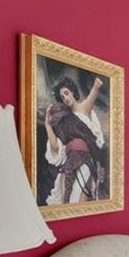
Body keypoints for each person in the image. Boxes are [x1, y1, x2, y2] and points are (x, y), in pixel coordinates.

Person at [43, 75, 106, 205]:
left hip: (86, 162)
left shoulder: (84, 107)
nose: (65, 98)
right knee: (69, 201)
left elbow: (94, 92)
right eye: (62, 97)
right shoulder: (64, 120)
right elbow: (55, 147)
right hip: (70, 164)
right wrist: (47, 125)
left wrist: (96, 85)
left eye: (66, 93)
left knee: (78, 198)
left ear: (72, 91)